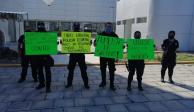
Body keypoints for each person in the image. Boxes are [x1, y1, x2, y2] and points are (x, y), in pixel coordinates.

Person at [65, 23, 89, 89]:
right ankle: (69, 83)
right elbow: (66, 44)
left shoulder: (82, 35)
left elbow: (85, 44)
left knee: (83, 70)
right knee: (71, 70)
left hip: (80, 55)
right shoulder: (70, 35)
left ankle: (86, 83)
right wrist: (63, 42)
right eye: (75, 27)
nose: (76, 28)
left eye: (77, 27)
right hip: (73, 55)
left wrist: (88, 43)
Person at [97, 22, 118, 91]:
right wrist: (95, 43)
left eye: (110, 27)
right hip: (103, 56)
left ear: (112, 28)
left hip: (111, 57)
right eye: (107, 27)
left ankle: (112, 84)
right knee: (102, 69)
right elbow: (96, 44)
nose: (109, 28)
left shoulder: (115, 35)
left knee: (112, 70)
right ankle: (103, 82)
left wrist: (118, 54)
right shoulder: (101, 35)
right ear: (105, 27)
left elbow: (118, 46)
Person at [35, 22, 54, 93]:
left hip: (46, 56)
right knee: (40, 71)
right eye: (39, 26)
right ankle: (42, 84)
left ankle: (48, 87)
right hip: (37, 56)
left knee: (47, 72)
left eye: (41, 26)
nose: (40, 27)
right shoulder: (35, 34)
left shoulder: (47, 34)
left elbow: (51, 45)